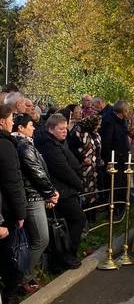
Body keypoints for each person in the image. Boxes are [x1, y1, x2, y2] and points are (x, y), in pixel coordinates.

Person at [12, 113, 59, 286]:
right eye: (30, 125)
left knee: (37, 239)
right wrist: (51, 192)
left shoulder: (26, 144)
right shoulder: (23, 146)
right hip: (33, 197)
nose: (33, 128)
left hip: (36, 195)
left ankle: (27, 275)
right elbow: (36, 172)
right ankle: (22, 277)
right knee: (41, 239)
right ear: (21, 128)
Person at [36, 114, 85, 266]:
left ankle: (66, 254)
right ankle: (66, 255)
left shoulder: (56, 142)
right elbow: (62, 169)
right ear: (51, 129)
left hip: (66, 189)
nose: (65, 131)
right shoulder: (49, 145)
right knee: (77, 219)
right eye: (61, 129)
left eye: (66, 128)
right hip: (61, 191)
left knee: (70, 222)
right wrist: (80, 185)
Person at [0, 104, 27, 304]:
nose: (13, 122)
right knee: (6, 253)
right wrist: (20, 212)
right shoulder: (5, 145)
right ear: (2, 121)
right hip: (5, 209)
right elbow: (12, 181)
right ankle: (8, 292)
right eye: (11, 118)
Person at [68, 115, 103, 211]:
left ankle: (93, 208)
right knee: (85, 187)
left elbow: (98, 147)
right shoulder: (78, 132)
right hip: (83, 166)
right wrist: (83, 158)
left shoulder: (95, 134)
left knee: (94, 187)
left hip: (95, 167)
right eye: (98, 125)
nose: (99, 127)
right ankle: (85, 208)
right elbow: (73, 148)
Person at [100, 99, 130, 210]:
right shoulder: (109, 120)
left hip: (123, 156)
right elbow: (107, 142)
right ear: (123, 110)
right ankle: (114, 207)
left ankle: (122, 204)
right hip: (114, 157)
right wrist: (108, 160)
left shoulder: (123, 121)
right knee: (115, 184)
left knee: (123, 182)